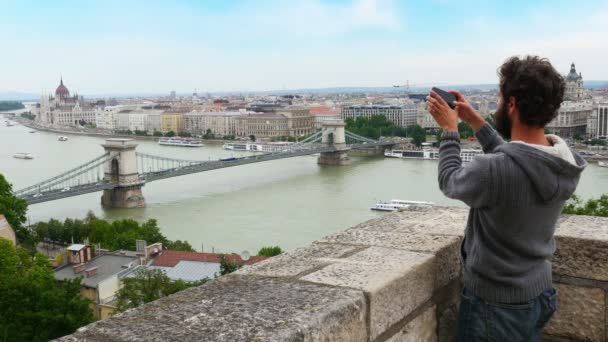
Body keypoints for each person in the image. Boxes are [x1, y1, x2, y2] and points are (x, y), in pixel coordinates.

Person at [426, 56, 587, 341]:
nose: (498, 104)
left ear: (511, 104)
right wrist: (476, 121)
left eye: (499, 99)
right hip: (539, 293)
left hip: (494, 304)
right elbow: (520, 160)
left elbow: (450, 182)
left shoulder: (495, 170)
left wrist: (450, 131)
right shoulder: (564, 161)